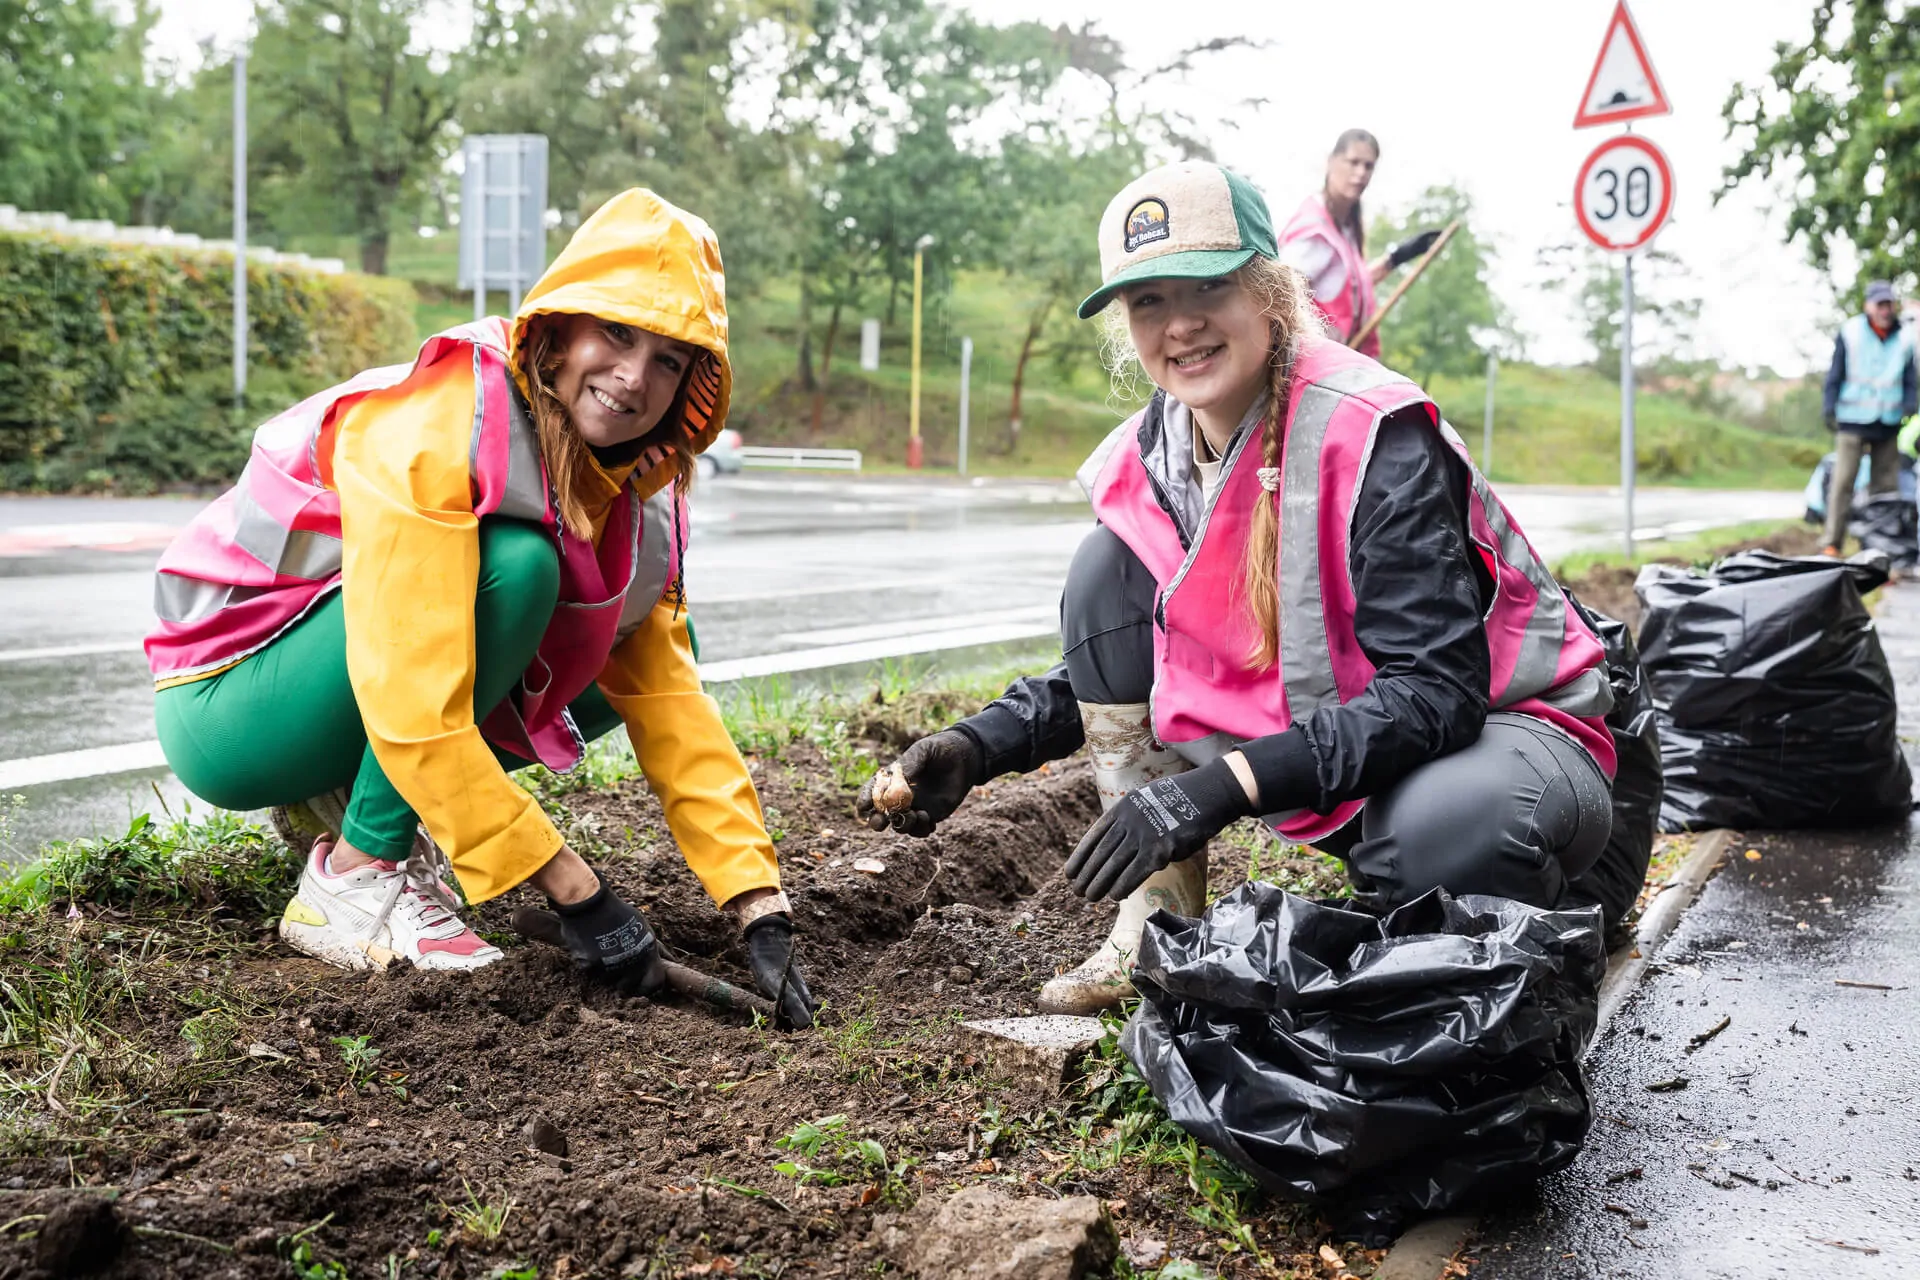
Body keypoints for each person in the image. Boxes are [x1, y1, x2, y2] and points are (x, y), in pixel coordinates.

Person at [858, 161, 1616, 1014]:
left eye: (1208, 286)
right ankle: (1155, 917)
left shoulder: (1370, 432)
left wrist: (1221, 787)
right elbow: (1156, 654)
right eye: (1149, 301)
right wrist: (979, 745)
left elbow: (1436, 694)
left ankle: (1524, 914)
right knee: (1104, 571)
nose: (1180, 324)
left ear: (1268, 291)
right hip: (1369, 766)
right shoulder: (1148, 460)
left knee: (1447, 830)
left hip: (1522, 751)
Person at [145, 189, 816, 1028]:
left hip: (346, 686)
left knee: (617, 649)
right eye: (617, 333)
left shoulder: (642, 493)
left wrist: (757, 900)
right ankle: (354, 877)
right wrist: (578, 890)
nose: (633, 377)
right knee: (519, 572)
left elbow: (670, 701)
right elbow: (409, 682)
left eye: (670, 361)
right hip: (231, 701)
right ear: (561, 327)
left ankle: (361, 807)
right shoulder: (445, 420)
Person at [1276, 129, 1440, 359]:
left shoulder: (1345, 229)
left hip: (1338, 362)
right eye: (1353, 162)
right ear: (1331, 161)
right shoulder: (1315, 230)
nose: (1361, 173)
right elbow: (1278, 295)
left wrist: (1397, 258)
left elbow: (1345, 288)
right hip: (1314, 364)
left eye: (1368, 166)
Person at [1822, 279, 1917, 556]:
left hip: (1888, 421)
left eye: (1889, 304)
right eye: (1880, 305)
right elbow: (1835, 373)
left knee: (1885, 488)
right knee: (1843, 481)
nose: (1885, 310)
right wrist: (1829, 406)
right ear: (1868, 306)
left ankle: (1881, 547)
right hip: (1852, 419)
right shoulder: (1851, 332)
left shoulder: (1905, 337)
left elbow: (1910, 379)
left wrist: (1909, 405)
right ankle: (1832, 542)